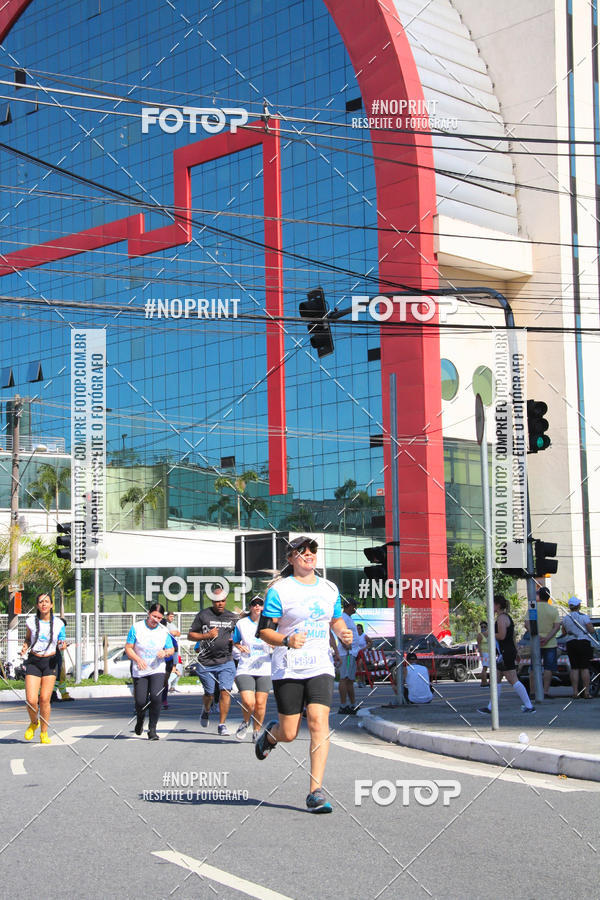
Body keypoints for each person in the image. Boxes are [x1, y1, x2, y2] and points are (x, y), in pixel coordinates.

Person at [254, 535, 353, 814]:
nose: (308, 554)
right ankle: (271, 736)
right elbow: (264, 631)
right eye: (301, 551)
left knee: (319, 723)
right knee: (289, 732)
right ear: (290, 559)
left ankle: (315, 792)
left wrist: (342, 631)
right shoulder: (280, 591)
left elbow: (335, 620)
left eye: (312, 550)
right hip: (288, 667)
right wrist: (286, 641)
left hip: (320, 665)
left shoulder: (329, 588)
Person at [188, 584, 238, 736]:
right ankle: (206, 709)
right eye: (217, 601)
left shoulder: (231, 617)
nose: (220, 603)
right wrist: (206, 636)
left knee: (225, 692)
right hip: (206, 662)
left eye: (223, 600)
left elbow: (239, 635)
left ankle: (222, 724)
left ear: (225, 600)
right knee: (209, 693)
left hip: (226, 661)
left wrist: (235, 642)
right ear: (212, 601)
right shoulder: (203, 615)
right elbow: (191, 636)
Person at [21, 593, 68, 744]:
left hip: (50, 662)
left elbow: (61, 641)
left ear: (51, 605)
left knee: (44, 699)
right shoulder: (31, 622)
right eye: (41, 602)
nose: (44, 604)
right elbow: (28, 639)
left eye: (46, 602)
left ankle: (44, 733)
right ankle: (34, 722)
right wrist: (24, 647)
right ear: (37, 606)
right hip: (34, 662)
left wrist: (62, 645)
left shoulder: (59, 623)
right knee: (31, 700)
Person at [478, 594, 535, 716]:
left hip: (505, 652)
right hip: (505, 651)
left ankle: (529, 705)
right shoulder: (503, 617)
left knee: (512, 679)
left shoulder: (501, 618)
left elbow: (502, 635)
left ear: (497, 605)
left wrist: (490, 633)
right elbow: (511, 637)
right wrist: (516, 651)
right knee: (496, 678)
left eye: (492, 604)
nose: (490, 607)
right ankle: (491, 707)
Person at [125, 602, 174, 740]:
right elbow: (128, 647)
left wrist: (165, 652)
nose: (156, 620)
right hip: (140, 669)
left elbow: (171, 649)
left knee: (156, 697)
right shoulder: (136, 627)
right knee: (140, 701)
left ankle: (152, 730)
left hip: (157, 669)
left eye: (159, 618)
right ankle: (140, 720)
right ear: (148, 614)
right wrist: (137, 659)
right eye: (154, 616)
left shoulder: (164, 630)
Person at [232, 596, 273, 742]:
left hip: (264, 667)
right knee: (249, 702)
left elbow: (277, 640)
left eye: (260, 604)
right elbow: (235, 640)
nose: (257, 607)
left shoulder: (270, 623)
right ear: (250, 607)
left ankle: (256, 730)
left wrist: (274, 645)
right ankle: (245, 721)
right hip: (246, 667)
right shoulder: (242, 623)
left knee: (261, 704)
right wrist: (239, 646)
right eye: (254, 604)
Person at [559, 596, 597, 699]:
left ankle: (575, 692)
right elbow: (591, 630)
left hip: (571, 643)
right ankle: (586, 692)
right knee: (584, 668)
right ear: (578, 606)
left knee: (574, 668)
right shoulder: (584, 617)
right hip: (583, 642)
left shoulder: (566, 618)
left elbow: (563, 632)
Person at [535, 587, 562, 698]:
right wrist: (547, 638)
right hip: (550, 643)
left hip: (536, 642)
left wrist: (538, 636)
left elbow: (527, 624)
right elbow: (557, 627)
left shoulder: (533, 608)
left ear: (539, 596)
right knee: (548, 668)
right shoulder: (553, 610)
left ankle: (533, 691)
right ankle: (545, 691)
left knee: (533, 667)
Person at [337, 597, 360, 714]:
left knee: (350, 679)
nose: (355, 608)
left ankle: (352, 704)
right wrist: (344, 644)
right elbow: (339, 632)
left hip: (352, 653)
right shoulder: (343, 618)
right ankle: (343, 705)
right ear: (348, 606)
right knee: (344, 678)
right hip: (346, 652)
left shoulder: (349, 619)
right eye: (354, 605)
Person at [161, 611, 180, 709]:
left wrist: (174, 665)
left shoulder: (168, 635)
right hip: (154, 663)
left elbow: (175, 648)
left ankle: (164, 700)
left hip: (167, 662)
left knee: (164, 681)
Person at [476, 621, 490, 688]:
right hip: (484, 653)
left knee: (492, 668)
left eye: (484, 627)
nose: (483, 628)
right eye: (482, 627)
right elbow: (479, 645)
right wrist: (481, 654)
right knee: (485, 668)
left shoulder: (489, 634)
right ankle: (484, 682)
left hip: (490, 652)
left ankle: (490, 681)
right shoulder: (479, 635)